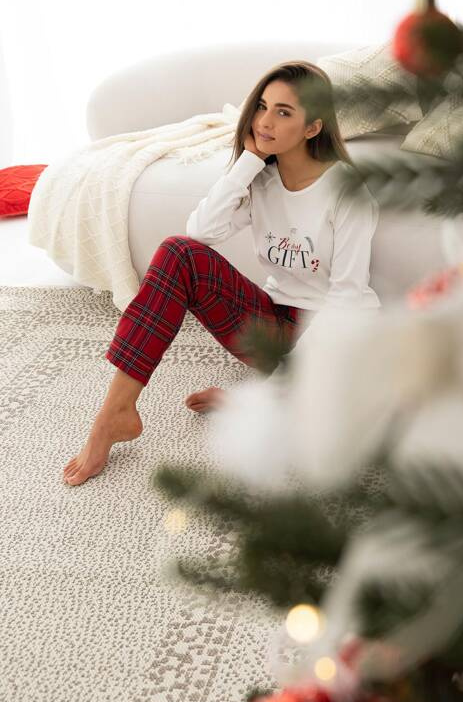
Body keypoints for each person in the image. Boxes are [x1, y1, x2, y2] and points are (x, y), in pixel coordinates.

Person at [62, 60, 380, 486]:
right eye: (262, 106)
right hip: (275, 324)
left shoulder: (347, 192)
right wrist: (248, 162)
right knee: (179, 252)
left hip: (333, 338)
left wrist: (272, 391)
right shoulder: (262, 182)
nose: (264, 122)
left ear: (312, 128)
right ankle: (115, 412)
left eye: (283, 112)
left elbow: (348, 301)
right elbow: (201, 232)